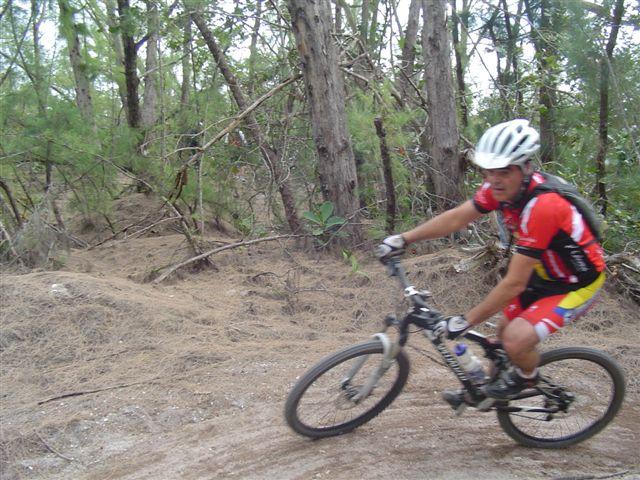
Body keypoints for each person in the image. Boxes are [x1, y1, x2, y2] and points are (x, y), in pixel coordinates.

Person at [376, 119, 606, 406]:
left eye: (504, 171)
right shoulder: (499, 190)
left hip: (577, 284)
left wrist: (465, 320)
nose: (494, 178)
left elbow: (514, 282)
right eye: (488, 170)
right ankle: (487, 390)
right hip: (543, 273)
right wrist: (404, 239)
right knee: (500, 334)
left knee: (516, 339)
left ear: (525, 168)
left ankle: (528, 376)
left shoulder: (545, 206)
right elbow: (457, 218)